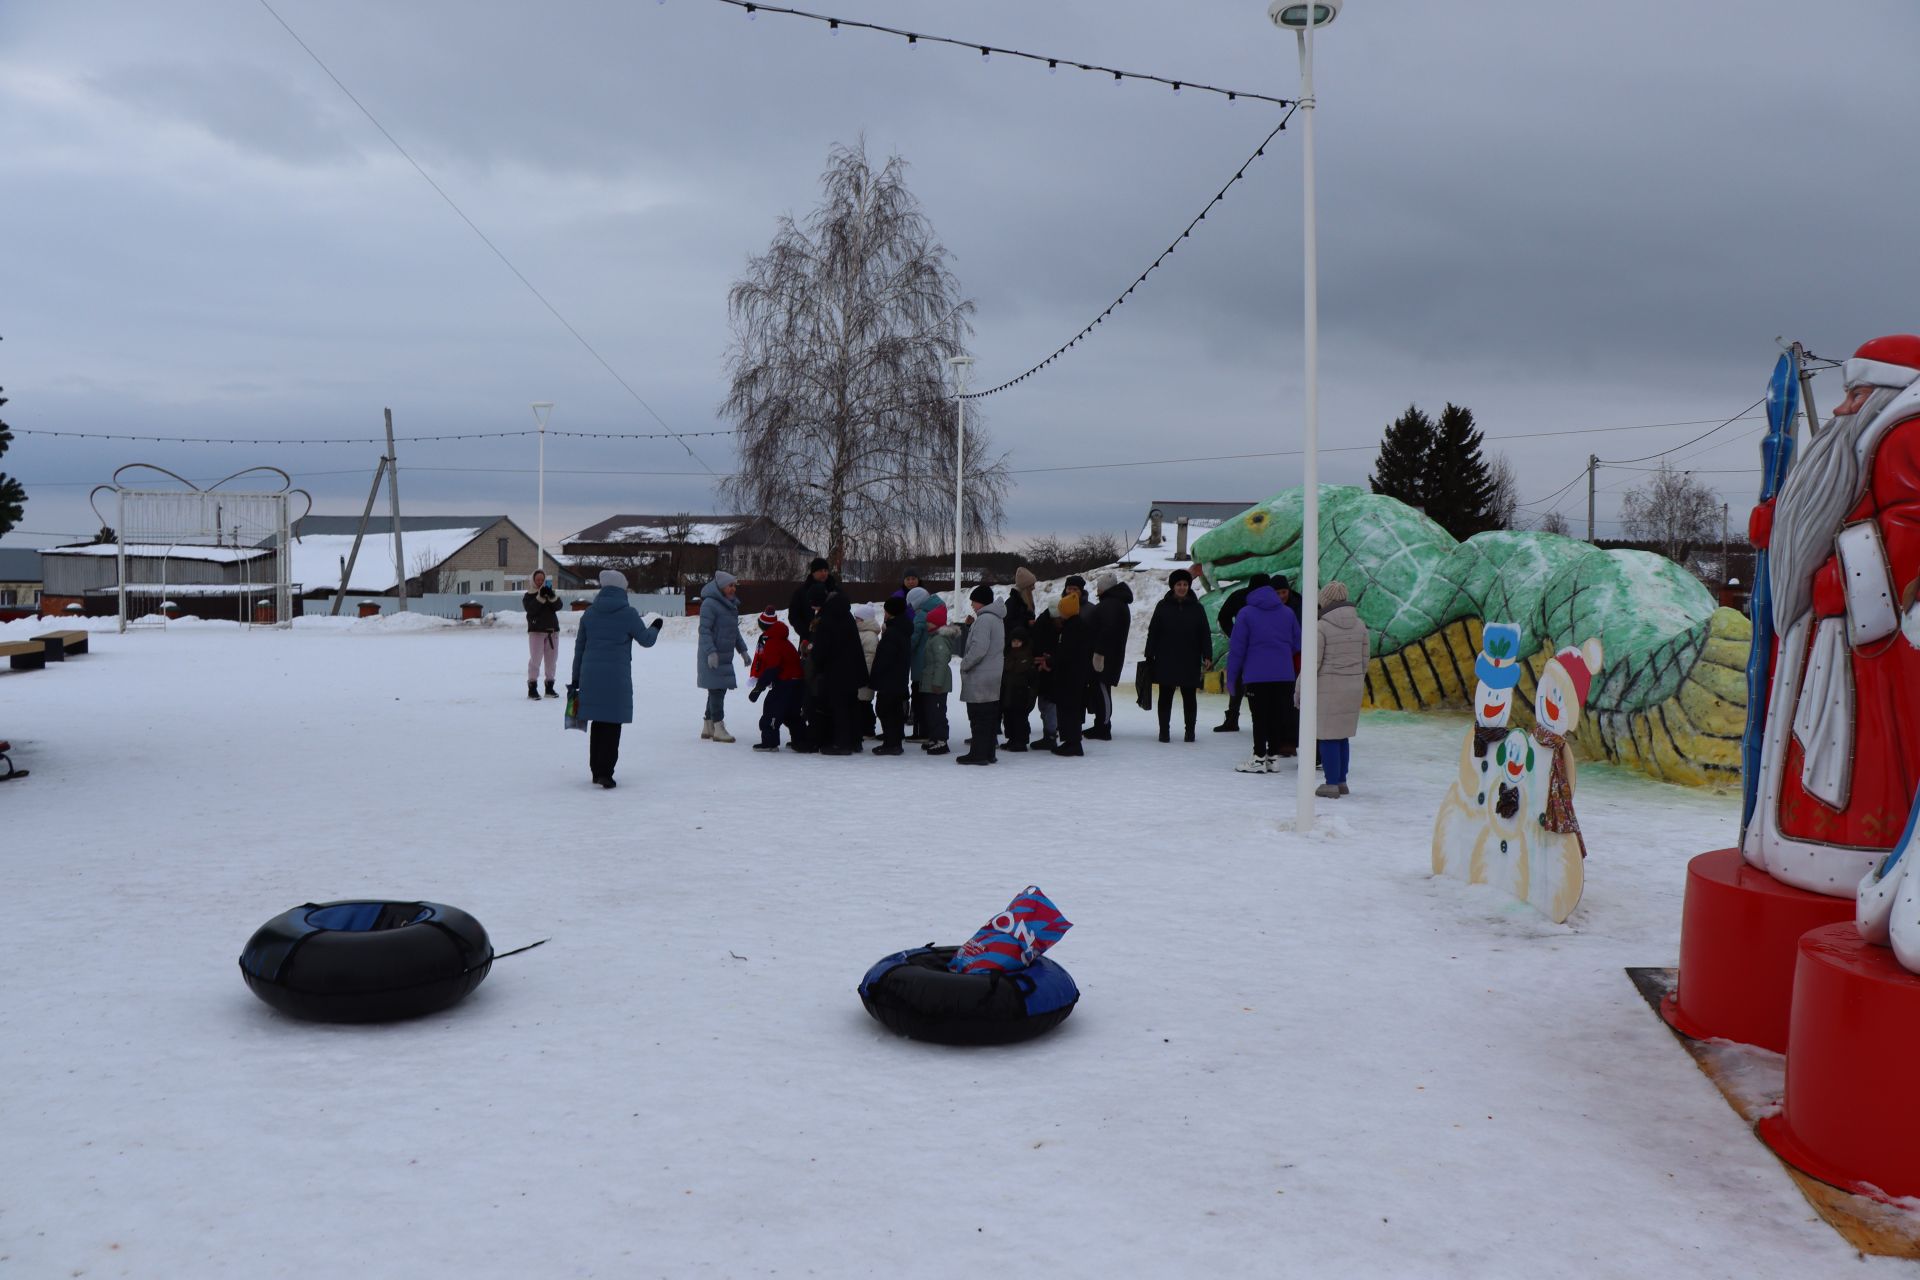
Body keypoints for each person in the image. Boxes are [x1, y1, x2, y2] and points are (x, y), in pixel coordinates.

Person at [1745, 335, 1920, 899]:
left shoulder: (1904, 431)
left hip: (1870, 643)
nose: (1843, 406)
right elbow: (1829, 506)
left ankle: (1849, 854)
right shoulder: (1867, 433)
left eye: (1857, 392)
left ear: (1886, 392)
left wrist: (1831, 580)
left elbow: (1908, 531)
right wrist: (1781, 529)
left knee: (1849, 746)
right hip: (1837, 631)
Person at [569, 569, 663, 789]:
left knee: (598, 723)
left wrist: (576, 680)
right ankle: (606, 773)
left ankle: (596, 770)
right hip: (616, 678)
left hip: (590, 676)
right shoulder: (628, 613)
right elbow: (646, 640)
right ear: (622, 589)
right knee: (612, 724)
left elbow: (579, 649)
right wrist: (656, 627)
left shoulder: (589, 614)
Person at [1226, 577, 1304, 773]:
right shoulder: (1287, 613)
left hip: (1257, 675)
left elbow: (1237, 649)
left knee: (1259, 717)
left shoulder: (1245, 614)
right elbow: (1297, 643)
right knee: (1278, 716)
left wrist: (1232, 678)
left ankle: (1259, 757)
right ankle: (1272, 757)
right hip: (1284, 675)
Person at [1305, 581, 1369, 796]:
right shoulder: (1360, 625)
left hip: (1328, 687)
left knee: (1327, 735)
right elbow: (1364, 660)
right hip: (1353, 685)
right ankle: (1341, 781)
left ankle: (1331, 783)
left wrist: (1299, 690)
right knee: (1342, 735)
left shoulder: (1321, 627)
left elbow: (1312, 664)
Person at [1143, 568, 1213, 743]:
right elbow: (1153, 631)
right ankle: (1164, 732)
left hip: (1190, 658)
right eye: (1178, 584)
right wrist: (1149, 654)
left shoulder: (1197, 608)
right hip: (1166, 658)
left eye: (1185, 584)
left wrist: (1207, 655)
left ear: (1189, 586)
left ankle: (1190, 732)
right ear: (1173, 586)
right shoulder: (1162, 606)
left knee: (1189, 697)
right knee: (1165, 696)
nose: (1182, 587)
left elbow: (1205, 632)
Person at [1210, 572, 1271, 731]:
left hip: (1263, 647)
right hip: (1249, 646)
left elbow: (1223, 617)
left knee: (1255, 683)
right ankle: (1235, 718)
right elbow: (1224, 617)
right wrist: (1235, 635)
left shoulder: (1266, 599)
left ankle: (1240, 719)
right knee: (1240, 680)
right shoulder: (1242, 597)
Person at [810, 592, 869, 755]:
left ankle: (841, 743)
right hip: (853, 669)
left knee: (839, 707)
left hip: (836, 671)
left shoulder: (827, 619)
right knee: (852, 704)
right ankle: (855, 741)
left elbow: (822, 648)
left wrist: (816, 661)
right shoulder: (847, 615)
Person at [696, 571, 752, 743]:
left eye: (734, 585)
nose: (733, 588)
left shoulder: (731, 605)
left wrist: (743, 651)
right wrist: (711, 652)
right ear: (721, 587)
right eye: (730, 585)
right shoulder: (710, 605)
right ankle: (718, 727)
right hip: (712, 656)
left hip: (724, 656)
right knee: (717, 691)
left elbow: (734, 632)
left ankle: (708, 725)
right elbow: (704, 630)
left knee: (716, 689)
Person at [957, 584, 1006, 765]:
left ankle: (978, 754)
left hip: (981, 676)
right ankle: (988, 753)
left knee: (979, 717)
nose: (971, 604)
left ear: (982, 602)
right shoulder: (996, 618)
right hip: (992, 676)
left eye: (974, 601)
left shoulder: (984, 619)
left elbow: (979, 648)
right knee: (989, 717)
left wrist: (965, 663)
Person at [748, 610, 810, 752]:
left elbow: (772, 669)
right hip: (798, 682)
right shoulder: (784, 641)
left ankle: (770, 743)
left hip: (786, 683)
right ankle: (801, 741)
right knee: (791, 713)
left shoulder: (772, 642)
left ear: (763, 626)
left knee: (771, 710)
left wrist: (758, 688)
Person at [1085, 572, 1133, 740]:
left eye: (1099, 586)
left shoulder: (1111, 604)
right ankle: (1100, 724)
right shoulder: (1114, 602)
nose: (1097, 589)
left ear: (1105, 588)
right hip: (1108, 655)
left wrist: (1099, 653)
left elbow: (1107, 630)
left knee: (1103, 689)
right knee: (1100, 690)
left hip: (1106, 657)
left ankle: (1103, 727)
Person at [913, 591, 961, 755]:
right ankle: (934, 737)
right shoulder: (933, 638)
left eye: (929, 622)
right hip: (931, 683)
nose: (926, 625)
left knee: (937, 713)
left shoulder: (939, 640)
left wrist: (937, 683)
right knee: (931, 712)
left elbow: (941, 663)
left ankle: (941, 740)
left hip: (936, 685)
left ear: (937, 624)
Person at [1048, 586, 1093, 757]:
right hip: (1074, 675)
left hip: (1070, 677)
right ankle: (1070, 742)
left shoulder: (1072, 628)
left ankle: (1073, 743)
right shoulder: (1075, 625)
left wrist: (1052, 661)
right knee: (1069, 710)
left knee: (1069, 710)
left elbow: (1066, 653)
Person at [869, 597, 914, 755]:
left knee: (884, 709)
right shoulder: (903, 628)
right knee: (893, 710)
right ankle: (893, 742)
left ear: (891, 612)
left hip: (889, 678)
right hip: (898, 677)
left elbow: (885, 657)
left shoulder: (893, 632)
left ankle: (891, 743)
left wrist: (875, 675)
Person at [1001, 567, 1039, 751]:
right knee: (1012, 703)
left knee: (1019, 703)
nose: (1033, 590)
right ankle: (1015, 737)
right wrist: (1026, 625)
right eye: (1031, 586)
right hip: (1015, 655)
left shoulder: (1023, 602)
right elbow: (1010, 628)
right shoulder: (1013, 604)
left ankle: (1019, 737)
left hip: (1021, 656)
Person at [522, 569, 563, 700]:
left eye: (542, 579)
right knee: (535, 660)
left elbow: (559, 606)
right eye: (537, 579)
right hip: (536, 632)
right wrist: (539, 597)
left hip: (552, 632)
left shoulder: (550, 594)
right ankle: (532, 687)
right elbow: (531, 610)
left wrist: (552, 597)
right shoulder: (529, 595)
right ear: (533, 580)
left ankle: (549, 687)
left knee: (552, 661)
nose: (540, 582)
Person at [853, 603, 883, 738]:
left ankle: (867, 729)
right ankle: (864, 727)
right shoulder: (862, 633)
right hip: (860, 674)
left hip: (864, 676)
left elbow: (870, 658)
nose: (855, 621)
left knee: (863, 704)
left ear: (863, 620)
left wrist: (865, 676)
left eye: (857, 618)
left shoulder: (869, 635)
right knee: (861, 703)